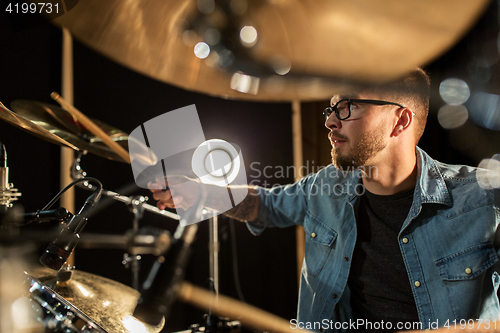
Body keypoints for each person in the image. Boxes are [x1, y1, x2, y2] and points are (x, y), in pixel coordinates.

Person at [149, 68, 500, 332]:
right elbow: (265, 206)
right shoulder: (327, 186)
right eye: (331, 109)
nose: (331, 121)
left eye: (348, 107)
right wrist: (199, 192)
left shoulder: (482, 199)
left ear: (400, 121)